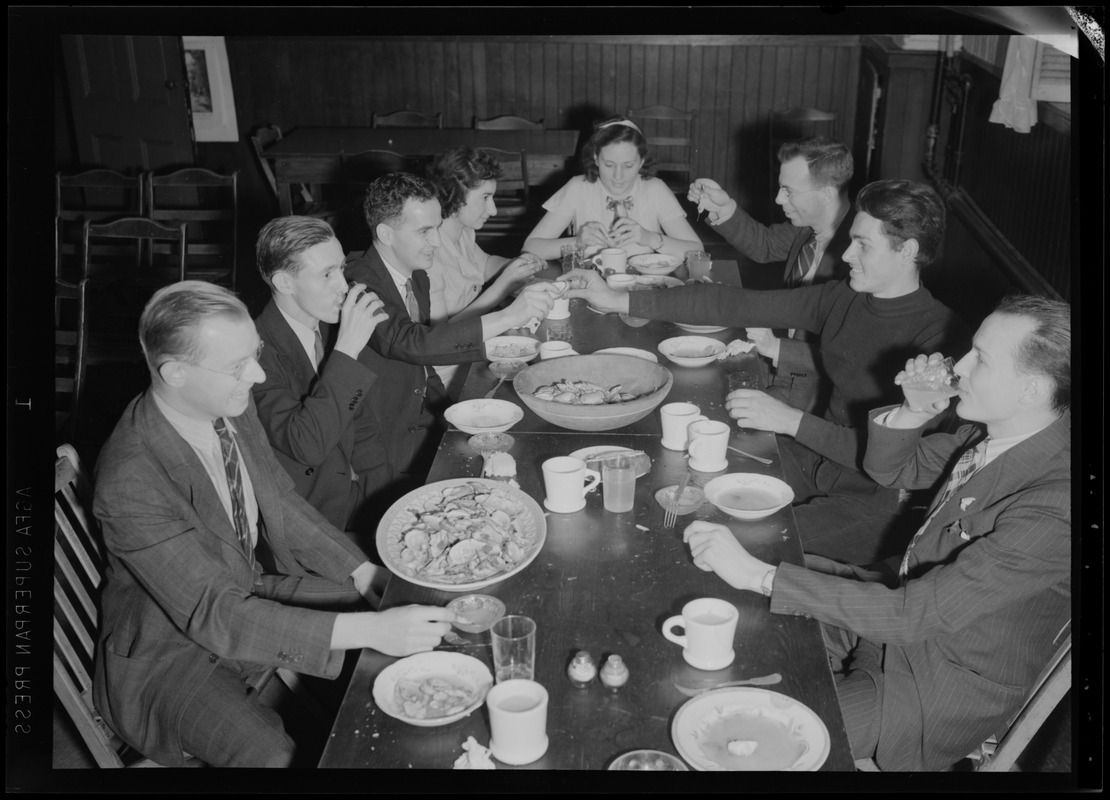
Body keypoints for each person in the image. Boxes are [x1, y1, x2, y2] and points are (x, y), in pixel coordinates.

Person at [682, 293, 1071, 771]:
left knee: (747, 744)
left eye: (981, 359)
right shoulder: (1003, 431)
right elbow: (889, 468)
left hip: (932, 684)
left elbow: (916, 616)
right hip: (891, 616)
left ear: (1031, 389)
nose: (960, 366)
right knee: (729, 595)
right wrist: (913, 411)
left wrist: (760, 576)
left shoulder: (1058, 504)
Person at [91, 281, 455, 768]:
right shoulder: (130, 478)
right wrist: (370, 627)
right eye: (238, 366)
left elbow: (281, 503)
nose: (259, 375)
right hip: (170, 657)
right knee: (275, 756)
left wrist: (364, 575)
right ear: (174, 372)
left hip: (244, 593)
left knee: (410, 596)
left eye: (255, 354)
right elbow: (216, 615)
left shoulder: (226, 407)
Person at [567, 179, 971, 564]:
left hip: (874, 501)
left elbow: (899, 461)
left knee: (734, 541)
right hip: (813, 461)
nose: (846, 255)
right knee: (691, 491)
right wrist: (617, 298)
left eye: (863, 245)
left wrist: (790, 421)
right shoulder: (843, 298)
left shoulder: (942, 341)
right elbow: (731, 304)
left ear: (907, 251)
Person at [344, 172, 558, 496]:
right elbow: (412, 344)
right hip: (378, 443)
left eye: (437, 228)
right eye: (425, 231)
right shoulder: (360, 281)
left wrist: (453, 414)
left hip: (421, 418)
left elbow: (425, 367)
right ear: (386, 233)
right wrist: (510, 315)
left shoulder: (416, 275)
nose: (435, 242)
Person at [688, 136, 855, 414]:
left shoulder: (856, 257)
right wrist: (723, 207)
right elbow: (765, 245)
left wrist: (777, 348)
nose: (778, 199)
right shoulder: (809, 226)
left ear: (826, 194)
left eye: (788, 191)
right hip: (786, 370)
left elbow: (847, 359)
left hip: (817, 398)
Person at [251, 215, 392, 538]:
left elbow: (364, 430)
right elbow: (306, 445)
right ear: (284, 283)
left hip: (358, 499)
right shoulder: (255, 351)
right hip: (311, 526)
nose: (344, 286)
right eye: (326, 275)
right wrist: (346, 352)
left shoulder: (328, 325)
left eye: (341, 269)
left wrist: (393, 506)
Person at [426, 146, 547, 396]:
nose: (493, 210)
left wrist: (519, 265)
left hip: (477, 351)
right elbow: (439, 339)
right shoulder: (429, 253)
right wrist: (503, 286)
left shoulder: (462, 232)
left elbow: (484, 264)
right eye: (484, 197)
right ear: (456, 195)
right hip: (449, 373)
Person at [522, 115, 703, 261]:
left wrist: (650, 238)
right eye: (609, 164)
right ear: (595, 158)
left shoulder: (655, 189)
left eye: (628, 165)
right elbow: (530, 248)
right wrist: (577, 242)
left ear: (641, 162)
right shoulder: (578, 187)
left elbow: (697, 252)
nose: (618, 176)